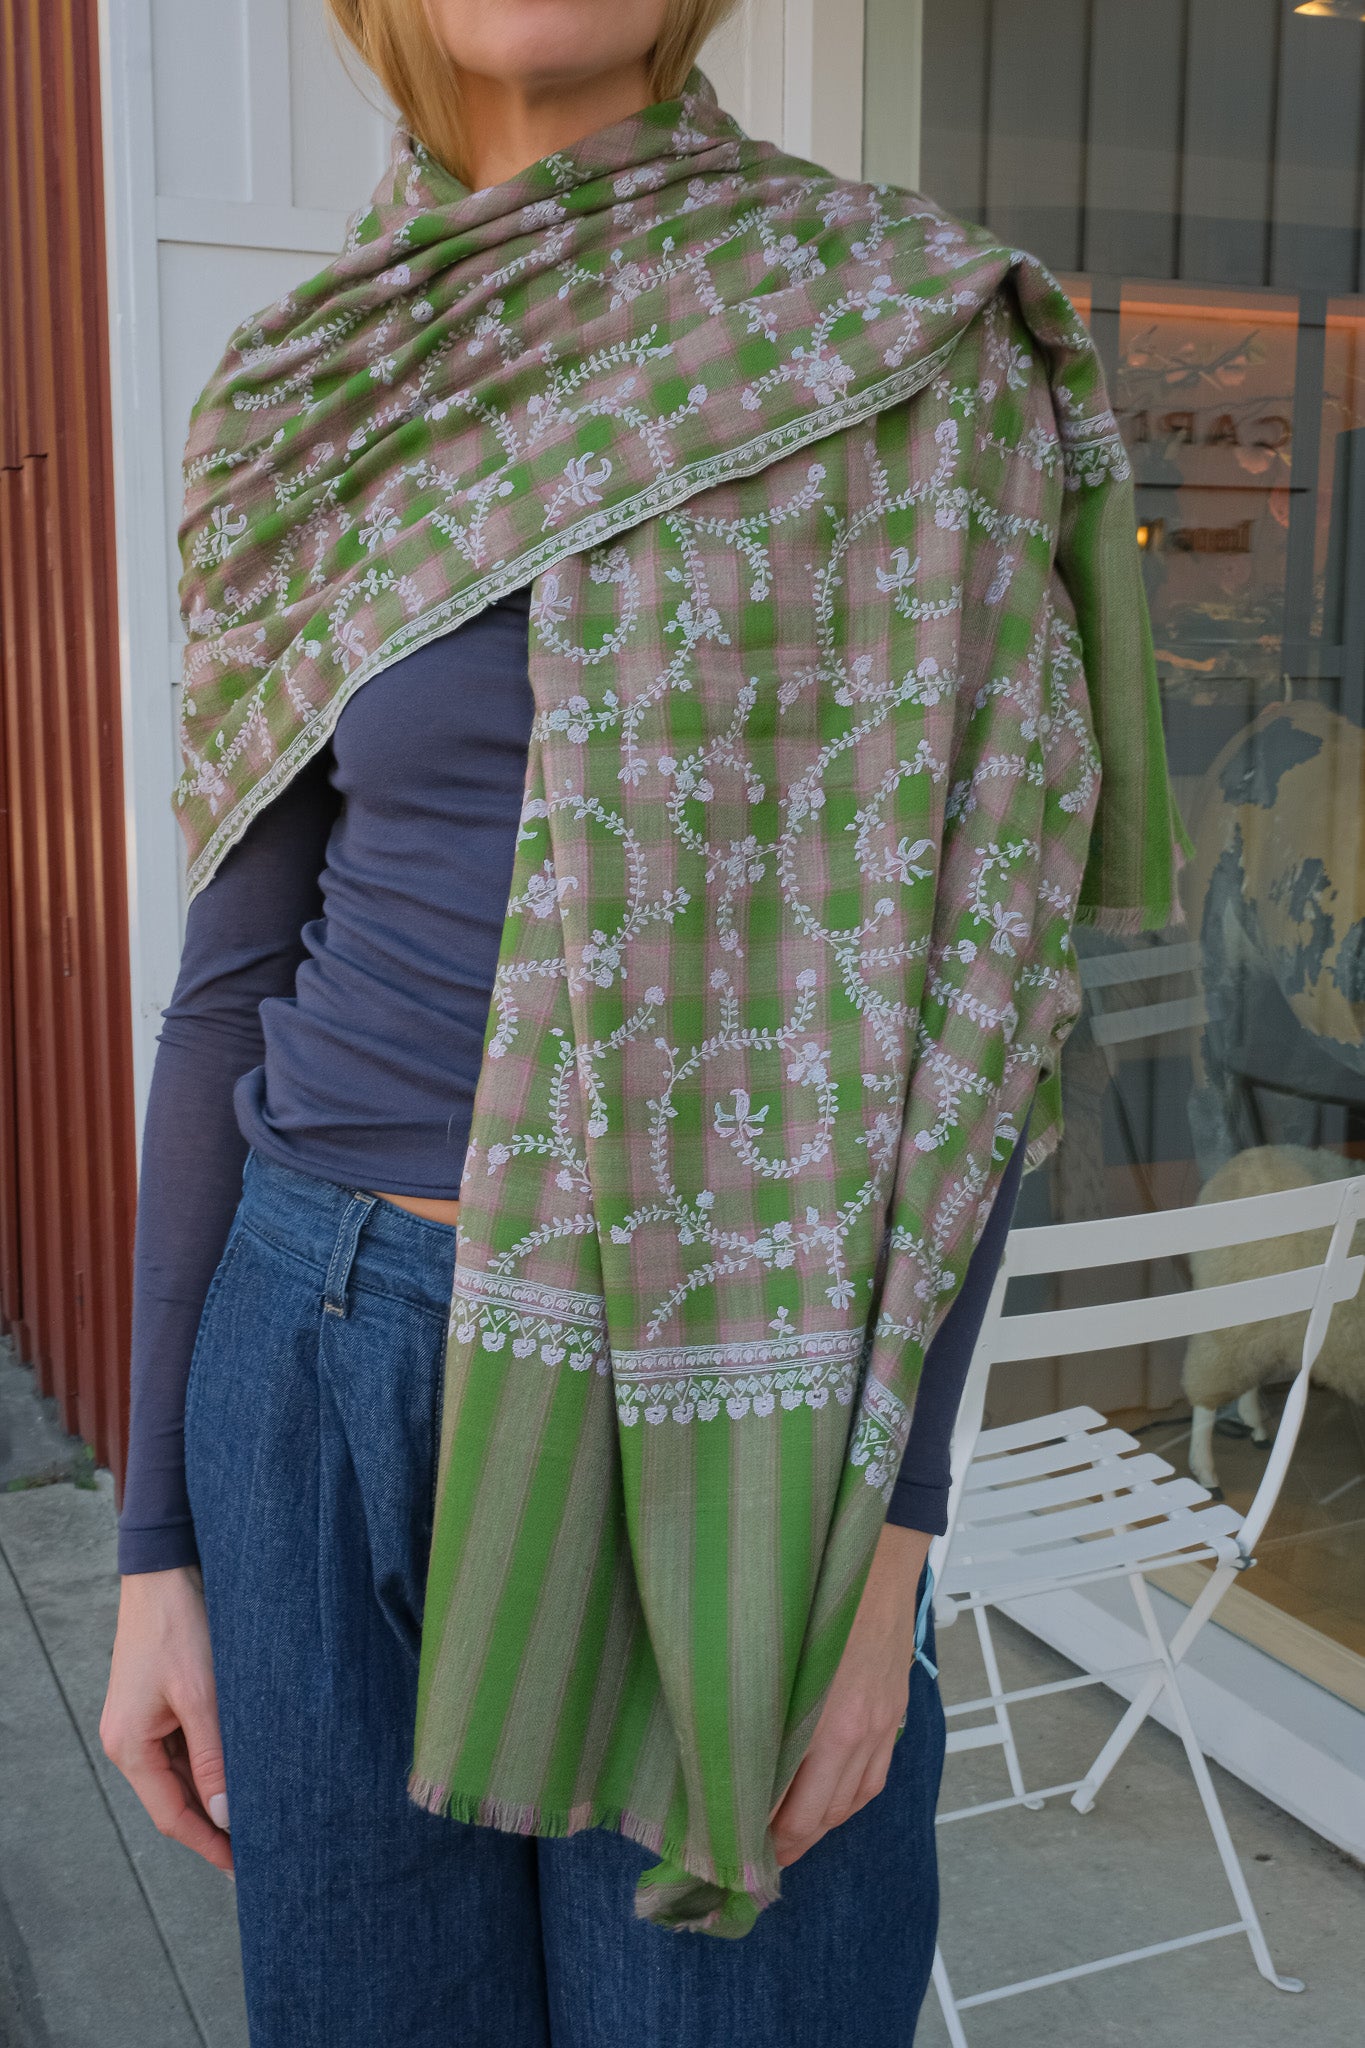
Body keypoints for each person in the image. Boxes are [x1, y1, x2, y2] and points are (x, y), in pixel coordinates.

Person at [100, 2, 1187, 2041]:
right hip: (318, 1362)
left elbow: (970, 1008)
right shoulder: (321, 388)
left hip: (743, 1390)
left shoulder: (900, 340)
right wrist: (159, 1544)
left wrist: (897, 1558)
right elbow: (232, 976)